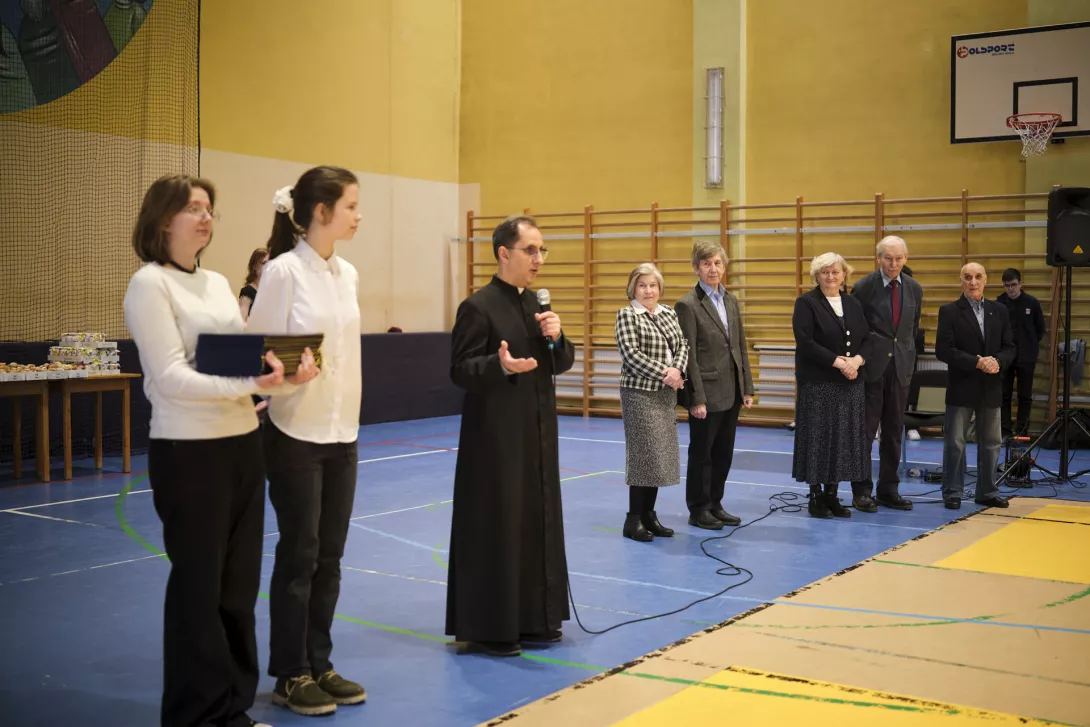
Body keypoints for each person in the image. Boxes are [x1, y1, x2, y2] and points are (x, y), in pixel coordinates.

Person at [123, 174, 317, 727]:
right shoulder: (149, 284)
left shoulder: (214, 282)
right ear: (163, 220)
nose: (206, 218)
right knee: (198, 589)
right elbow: (172, 378)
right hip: (190, 455)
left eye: (209, 209)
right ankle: (195, 715)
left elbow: (239, 360)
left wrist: (283, 375)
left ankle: (232, 707)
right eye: (192, 209)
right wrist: (253, 382)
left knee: (236, 589)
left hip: (240, 448)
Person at [246, 167, 366, 716]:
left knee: (332, 556)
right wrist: (285, 376)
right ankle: (289, 672)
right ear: (321, 212)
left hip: (343, 431)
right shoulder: (281, 273)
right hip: (295, 432)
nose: (358, 216)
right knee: (300, 554)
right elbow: (252, 355)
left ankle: (320, 662)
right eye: (351, 206)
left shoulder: (348, 274)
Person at [445, 215, 576, 658]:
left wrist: (557, 339)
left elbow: (559, 363)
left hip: (537, 434)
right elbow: (461, 369)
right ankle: (490, 627)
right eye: (531, 250)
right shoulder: (478, 307)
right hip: (495, 440)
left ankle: (535, 618)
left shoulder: (535, 306)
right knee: (499, 525)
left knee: (535, 522)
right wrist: (499, 366)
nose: (539, 259)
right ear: (504, 253)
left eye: (542, 251)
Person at [675, 240, 754, 531]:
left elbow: (740, 346)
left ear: (724, 266)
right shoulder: (687, 304)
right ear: (696, 268)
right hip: (705, 393)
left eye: (717, 263)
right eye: (706, 264)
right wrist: (695, 397)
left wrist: (747, 387)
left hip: (731, 390)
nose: (713, 269)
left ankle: (716, 503)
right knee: (702, 454)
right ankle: (699, 508)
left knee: (723, 453)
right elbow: (688, 355)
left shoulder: (731, 300)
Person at [792, 253, 874, 518]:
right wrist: (840, 363)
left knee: (842, 441)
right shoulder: (806, 303)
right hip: (818, 382)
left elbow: (868, 338)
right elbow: (806, 342)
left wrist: (858, 361)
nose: (830, 277)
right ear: (817, 276)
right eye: (825, 272)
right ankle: (816, 496)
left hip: (849, 384)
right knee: (818, 439)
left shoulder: (852, 303)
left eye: (835, 272)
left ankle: (832, 494)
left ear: (844, 275)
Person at [615, 263, 689, 541]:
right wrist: (665, 374)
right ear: (633, 288)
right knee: (643, 455)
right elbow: (630, 354)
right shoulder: (626, 315)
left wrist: (677, 371)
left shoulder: (668, 313)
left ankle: (649, 515)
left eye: (653, 285)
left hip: (665, 394)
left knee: (659, 456)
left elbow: (683, 345)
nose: (649, 290)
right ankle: (633, 519)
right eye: (643, 285)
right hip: (639, 394)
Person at [849, 236, 923, 512]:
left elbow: (912, 330)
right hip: (870, 369)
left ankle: (888, 489)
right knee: (864, 433)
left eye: (898, 258)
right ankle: (862, 491)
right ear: (878, 258)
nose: (893, 264)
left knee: (894, 432)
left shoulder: (915, 288)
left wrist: (907, 359)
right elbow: (856, 331)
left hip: (900, 369)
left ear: (906, 258)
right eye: (888, 258)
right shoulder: (863, 287)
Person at [936, 263, 1016, 509]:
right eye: (968, 277)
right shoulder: (949, 311)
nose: (973, 282)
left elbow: (1010, 347)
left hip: (991, 386)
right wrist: (976, 362)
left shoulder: (999, 310)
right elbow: (944, 350)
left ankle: (987, 491)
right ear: (961, 280)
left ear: (986, 280)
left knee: (992, 443)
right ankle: (952, 492)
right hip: (962, 386)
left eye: (978, 277)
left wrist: (997, 361)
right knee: (955, 443)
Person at [996, 268, 1045, 437]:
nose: (1011, 289)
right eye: (1007, 285)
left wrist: (1029, 344)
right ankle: (1005, 432)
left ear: (1020, 284)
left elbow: (1040, 330)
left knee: (1025, 396)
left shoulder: (1032, 303)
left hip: (1026, 356)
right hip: (1005, 357)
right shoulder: (999, 303)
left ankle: (1022, 432)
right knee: (1004, 396)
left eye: (1014, 285)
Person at [238, 248, 268, 322]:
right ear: (254, 266)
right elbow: (242, 319)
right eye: (264, 263)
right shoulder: (248, 291)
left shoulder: (271, 290)